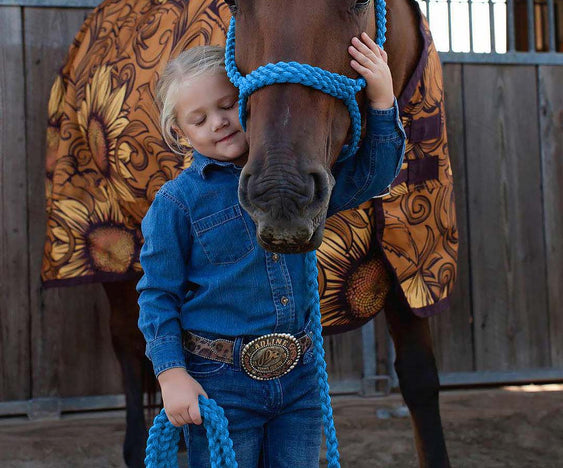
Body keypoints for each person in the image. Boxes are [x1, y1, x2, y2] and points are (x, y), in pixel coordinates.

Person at [137, 34, 406, 467]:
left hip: (299, 377)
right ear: (179, 132)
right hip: (220, 382)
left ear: (250, 98)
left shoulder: (297, 178)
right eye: (199, 118)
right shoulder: (177, 203)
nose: (219, 122)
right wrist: (172, 375)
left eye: (226, 105)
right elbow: (157, 295)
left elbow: (372, 178)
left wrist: (381, 101)